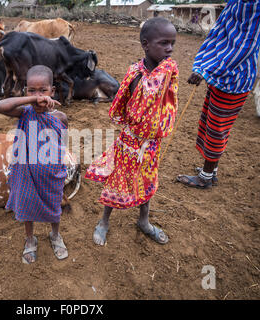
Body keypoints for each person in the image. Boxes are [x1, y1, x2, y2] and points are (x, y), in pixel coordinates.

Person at [85, 17, 178, 245]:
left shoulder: (167, 73)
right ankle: (104, 221)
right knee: (119, 179)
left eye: (172, 43)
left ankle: (144, 221)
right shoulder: (135, 74)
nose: (170, 49)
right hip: (130, 141)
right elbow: (127, 106)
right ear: (146, 44)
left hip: (152, 143)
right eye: (164, 43)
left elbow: (167, 102)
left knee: (147, 180)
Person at [177, 0, 260, 189]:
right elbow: (220, 33)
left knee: (216, 128)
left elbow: (244, 47)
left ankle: (205, 177)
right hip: (223, 75)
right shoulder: (238, 3)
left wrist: (208, 69)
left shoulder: (255, 7)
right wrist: (204, 65)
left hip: (233, 78)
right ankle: (210, 171)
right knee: (211, 122)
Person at [0, 65, 69, 264]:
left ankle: (55, 235)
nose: (38, 96)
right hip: (25, 172)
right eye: (31, 90)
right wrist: (32, 100)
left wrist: (58, 167)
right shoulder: (24, 112)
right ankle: (30, 239)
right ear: (25, 91)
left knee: (54, 206)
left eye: (43, 91)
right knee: (27, 206)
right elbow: (0, 106)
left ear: (52, 92)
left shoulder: (60, 118)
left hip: (51, 174)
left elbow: (62, 145)